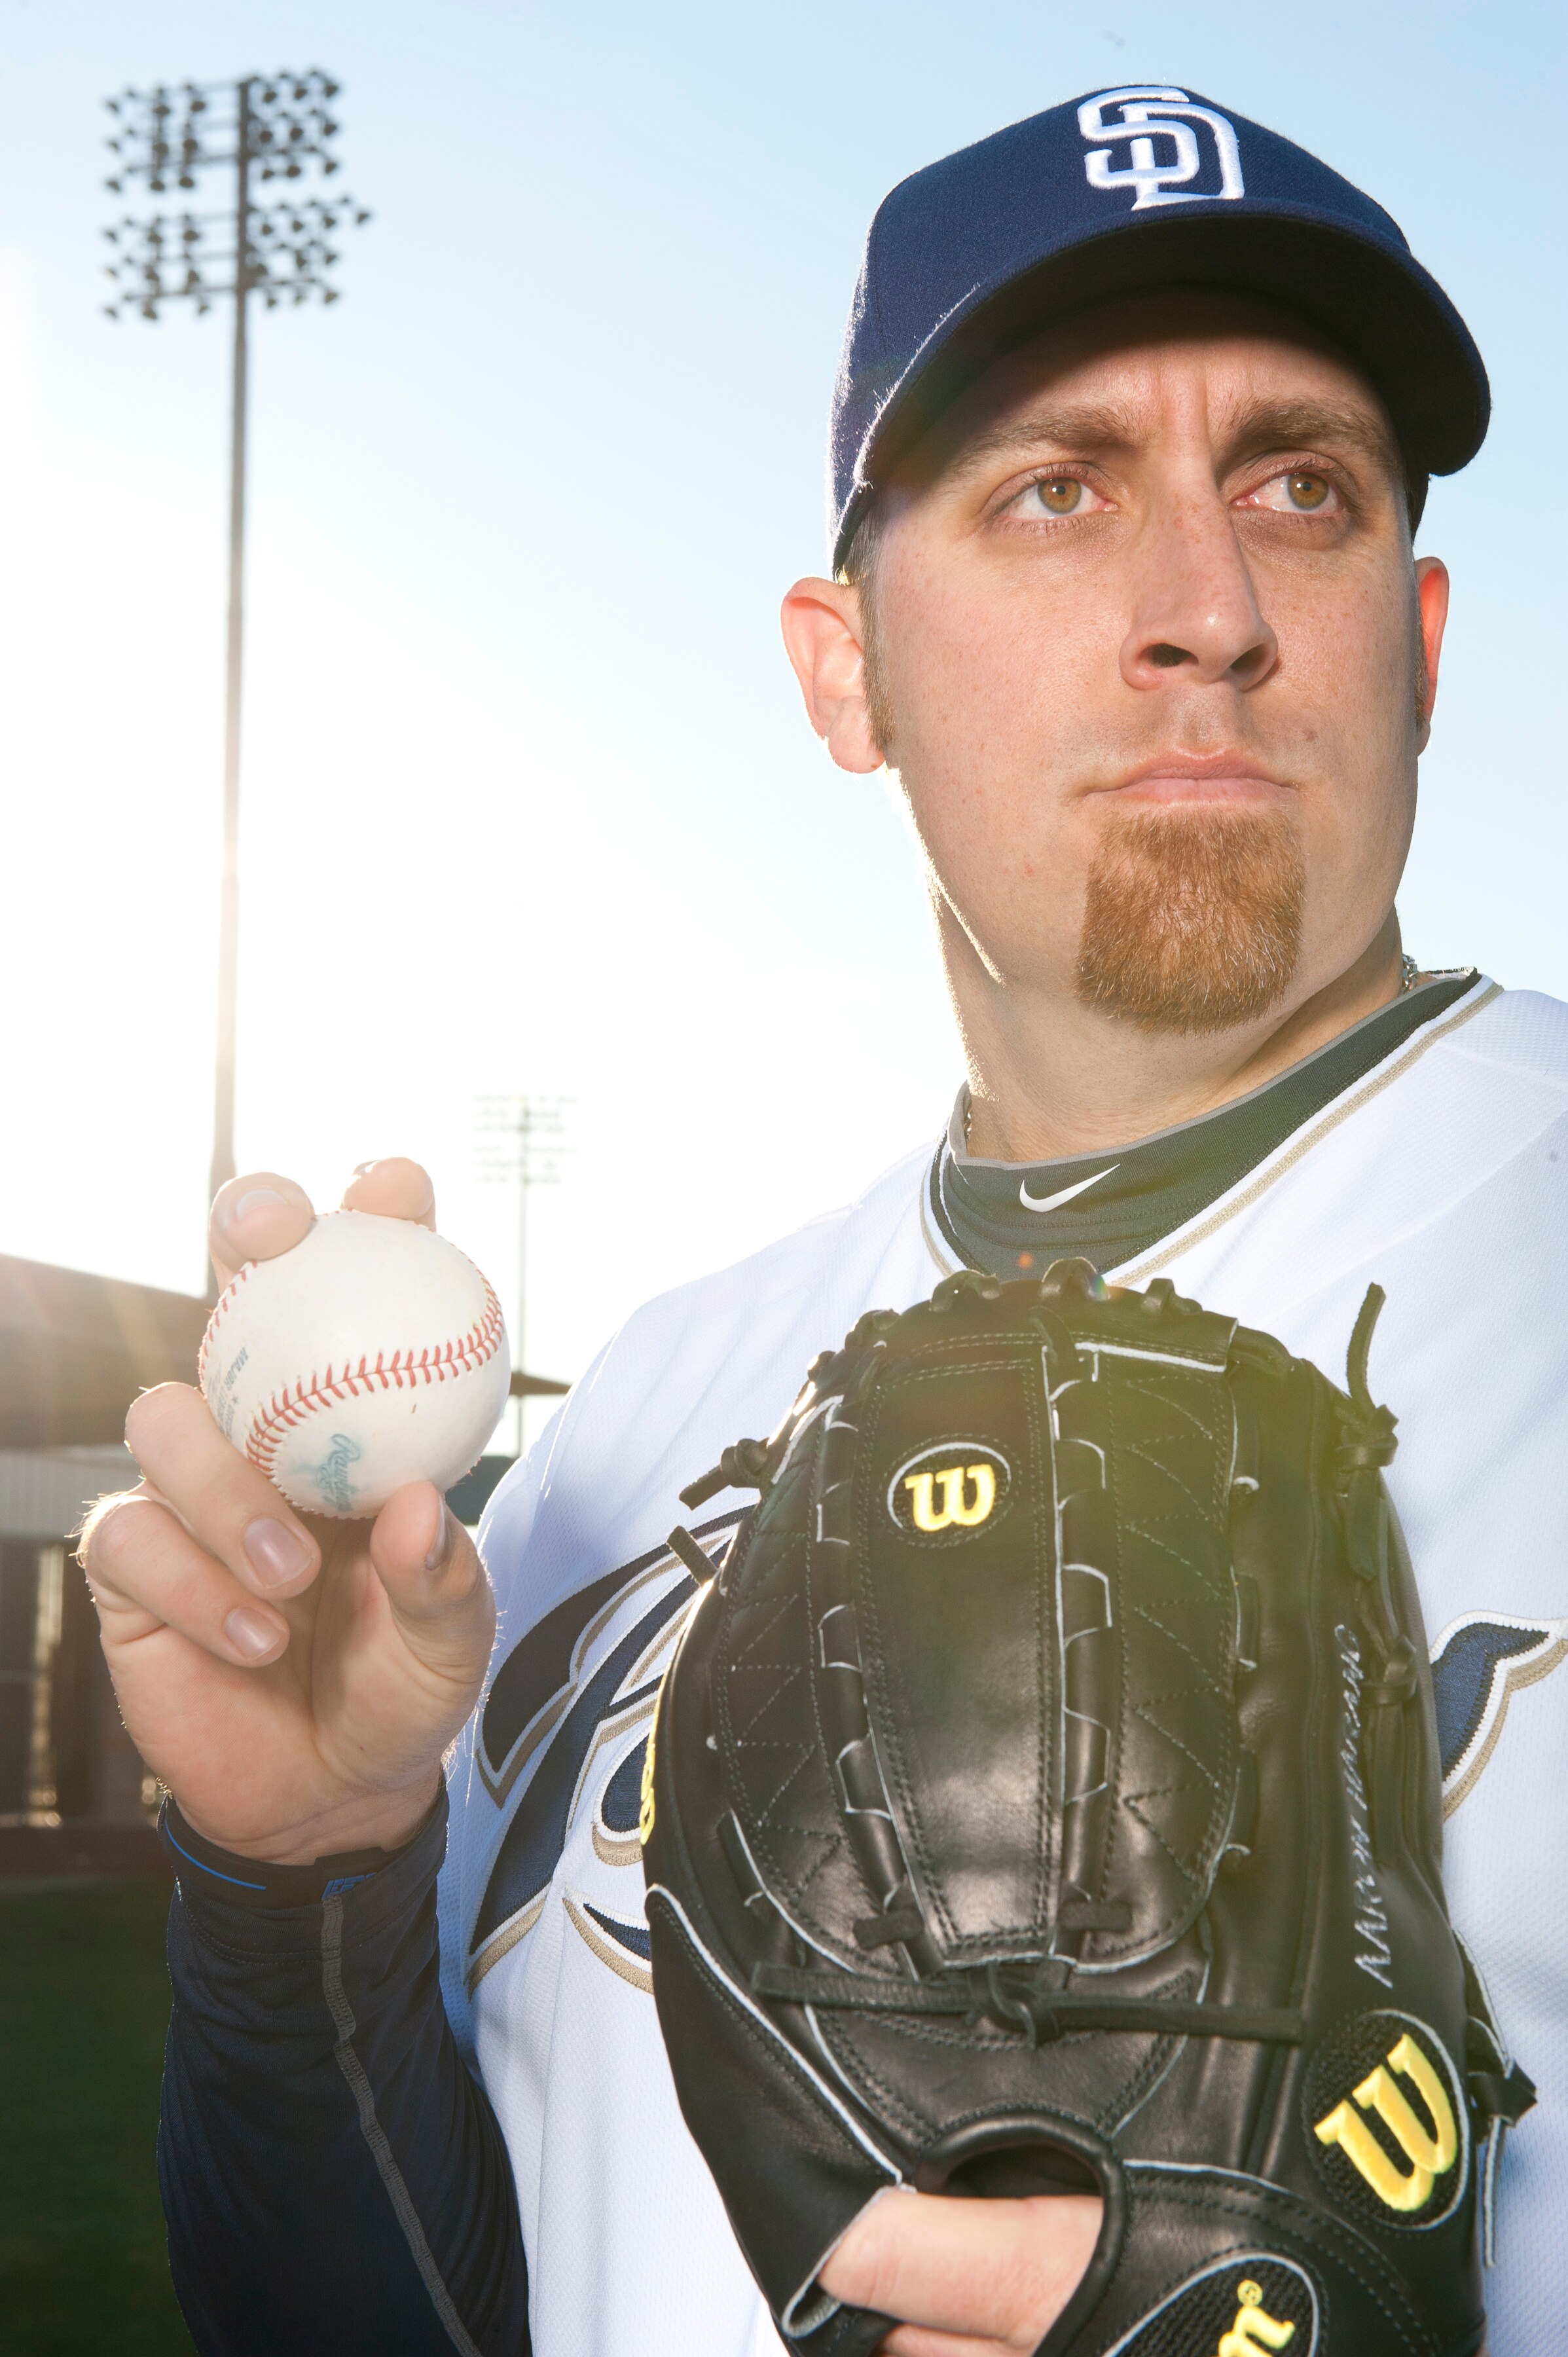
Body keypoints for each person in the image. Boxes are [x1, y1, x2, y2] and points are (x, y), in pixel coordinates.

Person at [82, 85, 1561, 2357]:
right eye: (1056, 492)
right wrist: (302, 1879)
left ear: (1423, 633)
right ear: (839, 668)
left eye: (1302, 488)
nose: (1210, 609)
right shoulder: (616, 1447)